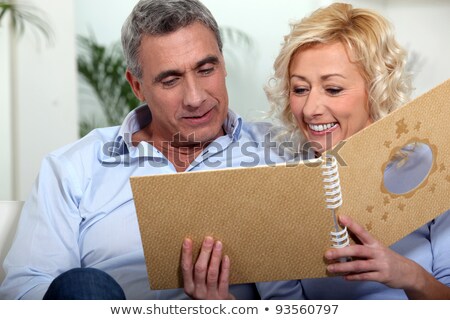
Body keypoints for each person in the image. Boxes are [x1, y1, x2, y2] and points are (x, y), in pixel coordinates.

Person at [0, 0, 282, 300]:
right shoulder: (73, 167)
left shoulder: (280, 151)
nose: (195, 97)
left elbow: (310, 292)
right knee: (83, 285)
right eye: (170, 80)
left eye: (205, 69)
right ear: (137, 86)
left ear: (222, 64)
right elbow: (25, 289)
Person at [255, 2, 450, 299]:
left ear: (375, 90)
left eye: (333, 89)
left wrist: (407, 274)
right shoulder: (278, 186)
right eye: (300, 89)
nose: (310, 109)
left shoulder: (432, 165)